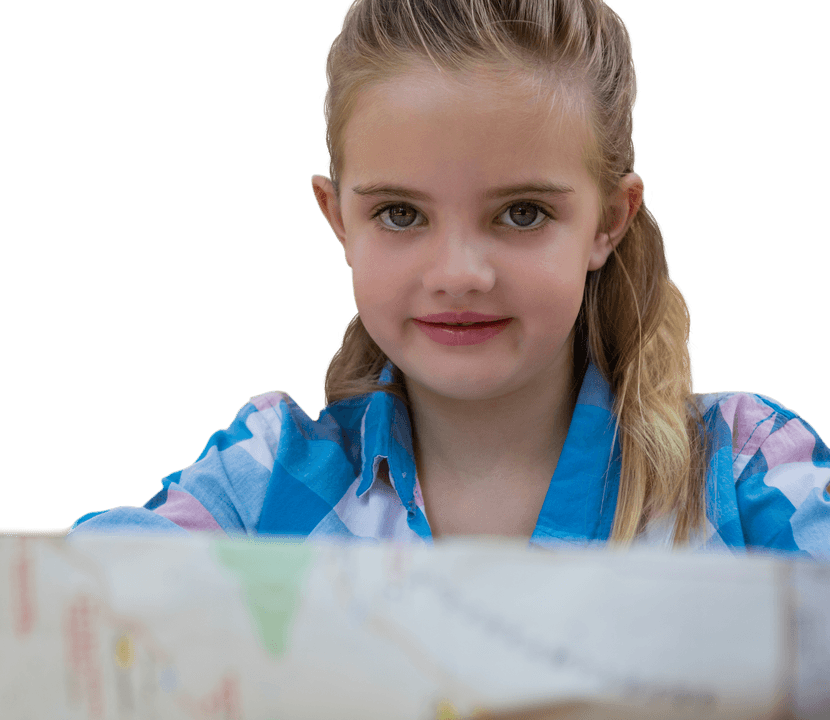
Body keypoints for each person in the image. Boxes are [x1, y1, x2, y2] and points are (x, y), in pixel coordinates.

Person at [70, 0, 829, 559]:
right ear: (338, 220)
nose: (459, 275)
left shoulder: (745, 473)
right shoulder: (261, 484)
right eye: (401, 214)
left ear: (609, 221)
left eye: (523, 213)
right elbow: (39, 624)